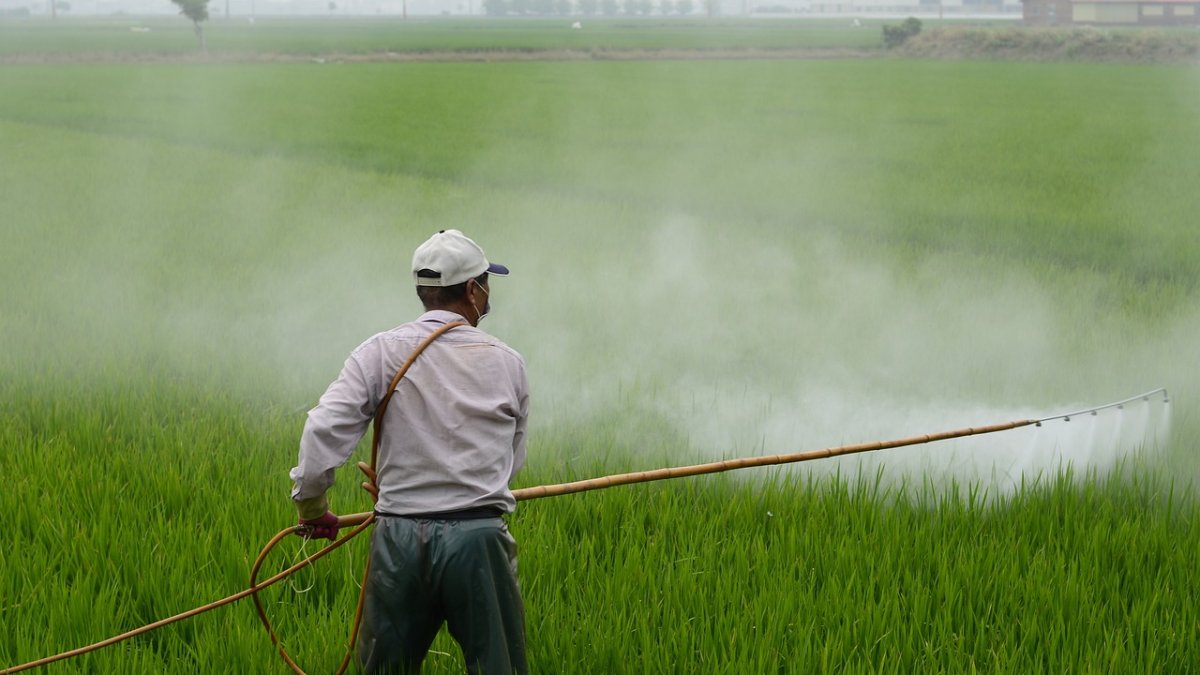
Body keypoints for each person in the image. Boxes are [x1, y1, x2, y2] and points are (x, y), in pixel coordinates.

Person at [288, 229, 530, 674]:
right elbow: (509, 463)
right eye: (486, 283)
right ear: (473, 290)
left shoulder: (379, 351)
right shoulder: (507, 362)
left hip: (399, 539)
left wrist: (312, 508)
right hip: (478, 540)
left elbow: (323, 428)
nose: (489, 292)